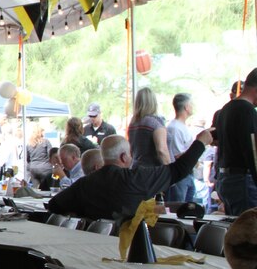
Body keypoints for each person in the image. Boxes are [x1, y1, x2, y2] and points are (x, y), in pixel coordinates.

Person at [47, 131, 212, 221]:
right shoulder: (137, 178)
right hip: (129, 248)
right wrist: (200, 142)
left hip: (91, 246)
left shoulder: (84, 184)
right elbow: (179, 169)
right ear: (124, 157)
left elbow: (54, 205)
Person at [214, 69, 257, 214]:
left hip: (226, 178)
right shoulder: (247, 110)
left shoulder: (225, 109)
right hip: (243, 180)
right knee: (248, 230)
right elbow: (252, 152)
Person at [165, 93, 197, 204]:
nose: (193, 106)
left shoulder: (181, 127)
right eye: (191, 104)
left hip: (188, 174)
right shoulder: (174, 128)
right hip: (180, 176)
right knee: (177, 207)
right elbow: (176, 155)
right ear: (186, 107)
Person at [128, 86, 169, 168]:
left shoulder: (133, 123)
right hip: (154, 171)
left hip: (136, 168)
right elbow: (162, 150)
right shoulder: (155, 123)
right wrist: (171, 170)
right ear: (153, 102)